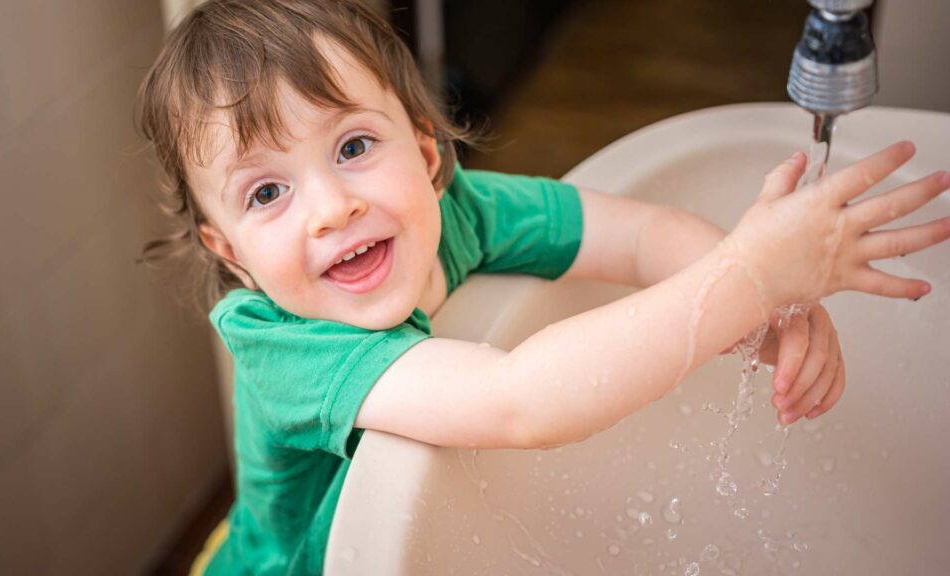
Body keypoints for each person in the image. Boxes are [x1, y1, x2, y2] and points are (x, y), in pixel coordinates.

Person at [136, 1, 950, 574]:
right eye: (267, 194)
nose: (331, 207)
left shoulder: (458, 209)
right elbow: (518, 401)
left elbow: (640, 234)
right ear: (231, 254)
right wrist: (751, 273)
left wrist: (770, 310)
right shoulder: (283, 344)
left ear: (426, 153)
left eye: (352, 146)